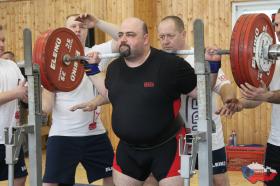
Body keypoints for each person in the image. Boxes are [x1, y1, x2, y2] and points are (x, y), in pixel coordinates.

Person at [71, 17, 224, 186]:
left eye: (130, 35)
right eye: (121, 34)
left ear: (145, 39)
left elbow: (202, 93)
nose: (123, 39)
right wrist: (91, 69)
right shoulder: (115, 68)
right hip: (129, 150)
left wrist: (214, 65)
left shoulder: (171, 65)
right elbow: (108, 93)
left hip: (167, 147)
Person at [156, 15, 235, 186]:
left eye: (170, 36)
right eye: (162, 37)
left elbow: (224, 86)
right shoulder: (160, 64)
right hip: (179, 138)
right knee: (173, 180)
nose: (165, 41)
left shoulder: (199, 58)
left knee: (218, 181)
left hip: (209, 135)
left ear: (183, 34)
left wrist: (229, 99)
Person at [42, 13, 118, 186]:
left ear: (86, 31)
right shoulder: (53, 62)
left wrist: (98, 22)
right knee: (50, 184)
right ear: (64, 31)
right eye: (73, 26)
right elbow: (46, 105)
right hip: (63, 134)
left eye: (82, 27)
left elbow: (123, 37)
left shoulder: (95, 53)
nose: (78, 29)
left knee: (113, 178)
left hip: (94, 133)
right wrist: (37, 106)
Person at [223, 8, 280, 186]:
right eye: (276, 24)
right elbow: (261, 95)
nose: (277, 29)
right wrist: (240, 103)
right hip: (276, 142)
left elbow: (268, 95)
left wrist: (268, 95)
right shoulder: (273, 62)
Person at [0, 25, 28, 186]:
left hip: (11, 136)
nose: (1, 44)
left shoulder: (11, 65)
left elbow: (23, 92)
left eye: (2, 40)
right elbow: (17, 92)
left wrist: (29, 95)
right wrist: (17, 93)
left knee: (19, 177)